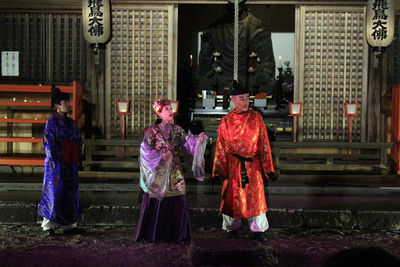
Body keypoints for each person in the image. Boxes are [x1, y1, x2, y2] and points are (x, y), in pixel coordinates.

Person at [134, 99, 207, 244]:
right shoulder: (151, 131)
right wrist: (159, 155)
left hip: (174, 170)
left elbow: (188, 141)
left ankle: (177, 235)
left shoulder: (177, 129)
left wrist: (198, 139)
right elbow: (144, 151)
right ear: (159, 113)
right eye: (166, 109)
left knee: (178, 199)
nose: (170, 111)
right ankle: (154, 234)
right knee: (157, 200)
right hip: (158, 170)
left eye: (170, 108)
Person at [212, 80, 274, 241]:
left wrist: (268, 167)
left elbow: (264, 143)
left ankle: (258, 230)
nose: (246, 102)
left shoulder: (256, 118)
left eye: (247, 98)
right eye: (242, 98)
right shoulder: (226, 121)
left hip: (253, 166)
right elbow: (221, 147)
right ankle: (232, 228)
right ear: (233, 99)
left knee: (256, 198)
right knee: (233, 197)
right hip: (233, 167)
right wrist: (220, 168)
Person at [37, 85, 82, 236]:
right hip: (56, 163)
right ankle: (48, 225)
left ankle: (69, 225)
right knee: (55, 192)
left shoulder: (71, 123)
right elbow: (48, 142)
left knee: (70, 192)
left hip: (70, 161)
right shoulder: (52, 122)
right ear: (57, 106)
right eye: (65, 103)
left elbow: (77, 139)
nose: (68, 105)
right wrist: (58, 155)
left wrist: (76, 155)